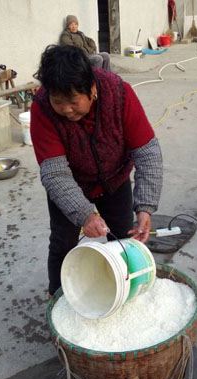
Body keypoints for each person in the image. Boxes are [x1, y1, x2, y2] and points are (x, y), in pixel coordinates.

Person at [31, 45, 163, 296]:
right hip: (70, 183)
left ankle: (125, 290)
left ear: (92, 90)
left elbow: (147, 153)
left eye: (73, 101)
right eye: (58, 102)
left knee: (124, 239)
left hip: (115, 178)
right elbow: (55, 173)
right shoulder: (42, 107)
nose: (66, 109)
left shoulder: (119, 93)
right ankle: (58, 296)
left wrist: (146, 206)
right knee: (62, 243)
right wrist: (85, 214)